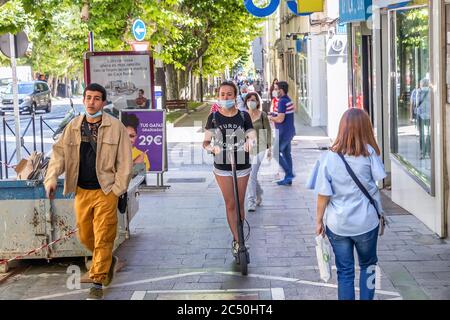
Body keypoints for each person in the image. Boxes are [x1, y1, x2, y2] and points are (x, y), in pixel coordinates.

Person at [44, 83, 133, 300]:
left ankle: (97, 282)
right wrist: (52, 178)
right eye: (88, 98)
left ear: (103, 102)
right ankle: (107, 260)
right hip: (82, 191)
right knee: (85, 236)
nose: (91, 102)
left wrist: (117, 190)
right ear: (84, 100)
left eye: (96, 98)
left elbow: (125, 162)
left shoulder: (116, 127)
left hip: (106, 191)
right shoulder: (73, 126)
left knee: (103, 236)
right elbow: (58, 156)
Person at [307, 108, 386, 300]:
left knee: (345, 272)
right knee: (369, 267)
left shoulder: (328, 158)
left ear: (341, 128)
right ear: (366, 128)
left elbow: (323, 195)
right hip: (366, 223)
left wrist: (318, 221)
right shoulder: (369, 154)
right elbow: (379, 180)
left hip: (338, 224)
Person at [203, 81, 256, 258]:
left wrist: (250, 141)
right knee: (230, 203)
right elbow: (205, 142)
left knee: (240, 203)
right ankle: (238, 241)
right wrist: (212, 148)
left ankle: (239, 237)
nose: (226, 97)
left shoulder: (243, 116)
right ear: (219, 96)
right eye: (222, 94)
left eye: (229, 94)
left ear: (235, 96)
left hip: (242, 164)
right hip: (222, 166)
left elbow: (252, 135)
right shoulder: (213, 118)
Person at [244, 92, 272, 212]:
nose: (251, 102)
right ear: (246, 102)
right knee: (251, 175)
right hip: (247, 148)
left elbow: (268, 132)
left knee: (251, 174)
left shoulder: (262, 115)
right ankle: (259, 192)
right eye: (249, 100)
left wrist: (270, 149)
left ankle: (251, 201)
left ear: (257, 102)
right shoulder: (243, 116)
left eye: (254, 100)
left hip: (260, 147)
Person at [268, 81, 296, 185]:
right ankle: (288, 179)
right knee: (286, 154)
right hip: (288, 131)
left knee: (275, 153)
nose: (274, 91)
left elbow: (280, 119)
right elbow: (282, 114)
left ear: (281, 90)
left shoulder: (282, 102)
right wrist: (273, 113)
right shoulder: (287, 100)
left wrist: (271, 118)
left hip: (283, 133)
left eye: (276, 89)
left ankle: (289, 174)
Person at [415, 78, 431, 159]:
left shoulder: (419, 91)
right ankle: (429, 151)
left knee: (421, 134)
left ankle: (422, 152)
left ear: (421, 84)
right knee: (429, 133)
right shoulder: (431, 91)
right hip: (429, 115)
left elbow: (417, 103)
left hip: (420, 115)